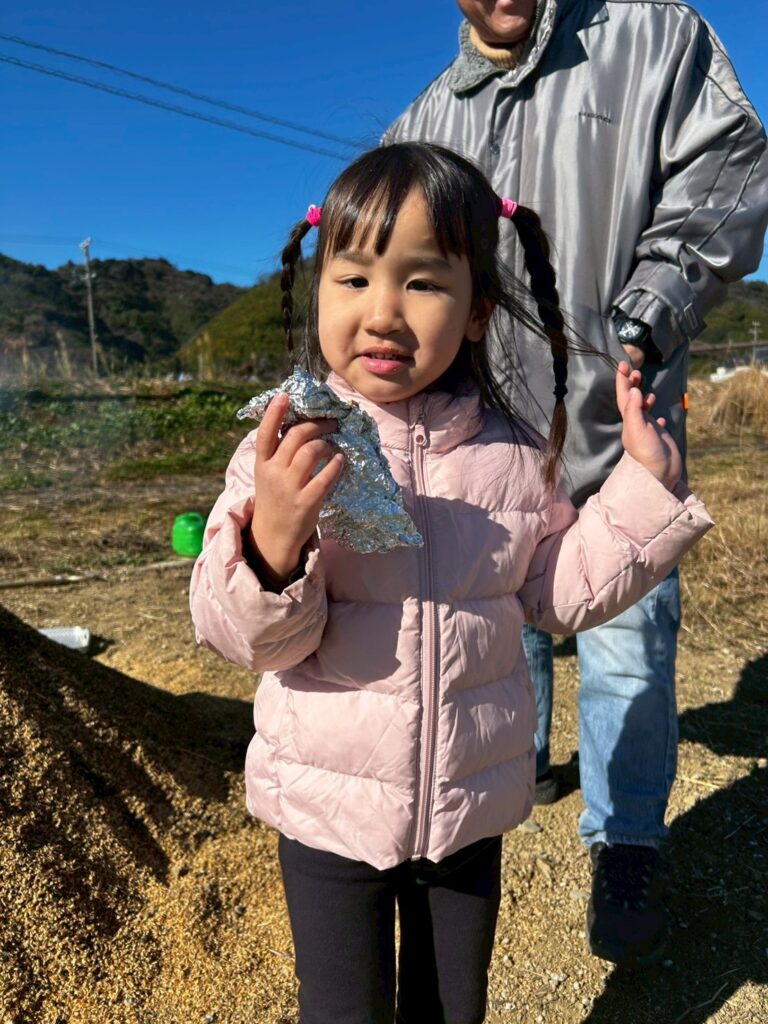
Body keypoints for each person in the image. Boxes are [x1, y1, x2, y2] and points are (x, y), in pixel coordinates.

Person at [190, 142, 711, 1024]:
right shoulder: (287, 447)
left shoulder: (513, 456)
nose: (383, 312)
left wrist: (644, 487)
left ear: (477, 313)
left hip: (467, 805)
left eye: (423, 282)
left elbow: (554, 593)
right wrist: (272, 543)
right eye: (354, 279)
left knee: (453, 1008)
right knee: (343, 1010)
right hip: (328, 809)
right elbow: (246, 638)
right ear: (318, 292)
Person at [385, 0, 768, 968]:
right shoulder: (422, 122)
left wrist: (654, 305)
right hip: (485, 449)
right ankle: (529, 763)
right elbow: (383, 268)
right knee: (509, 624)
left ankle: (626, 843)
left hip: (615, 426)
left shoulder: (651, 36)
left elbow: (731, 164)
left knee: (628, 642)